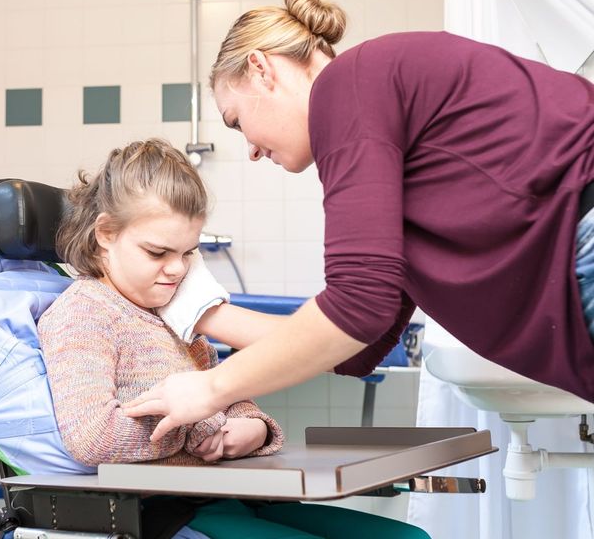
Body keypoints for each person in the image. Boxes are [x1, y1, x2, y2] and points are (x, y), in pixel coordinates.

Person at [122, 0, 594, 442]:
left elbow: (357, 307)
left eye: (236, 121)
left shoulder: (348, 84)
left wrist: (210, 388)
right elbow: (358, 343)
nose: (249, 149)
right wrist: (200, 312)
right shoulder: (373, 106)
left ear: (261, 69)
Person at [38, 138, 429, 539]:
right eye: (158, 253)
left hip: (225, 495)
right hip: (163, 512)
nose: (176, 269)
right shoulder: (83, 313)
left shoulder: (175, 314)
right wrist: (198, 428)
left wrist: (252, 430)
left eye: (189, 252)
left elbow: (234, 400)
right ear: (105, 233)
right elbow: (92, 438)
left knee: (410, 537)